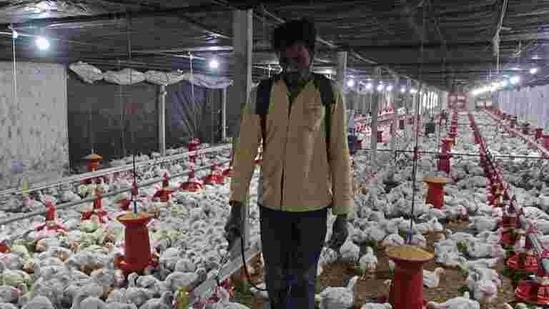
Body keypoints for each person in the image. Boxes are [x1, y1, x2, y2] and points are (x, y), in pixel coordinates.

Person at [224, 18, 353, 309]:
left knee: (304, 279)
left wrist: (342, 213)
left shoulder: (328, 93)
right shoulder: (263, 93)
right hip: (272, 210)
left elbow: (339, 155)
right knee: (275, 278)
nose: (291, 67)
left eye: (298, 58)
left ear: (313, 54)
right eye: (284, 60)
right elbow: (245, 153)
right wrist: (236, 206)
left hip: (313, 210)